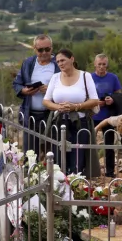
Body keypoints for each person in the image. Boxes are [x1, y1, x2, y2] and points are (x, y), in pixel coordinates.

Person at [42, 49, 101, 177]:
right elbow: (46, 101)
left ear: (72, 59)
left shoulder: (85, 76)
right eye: (58, 62)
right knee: (59, 158)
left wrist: (76, 107)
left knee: (78, 159)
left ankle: (75, 188)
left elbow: (95, 100)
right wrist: (58, 107)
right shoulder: (55, 78)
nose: (60, 64)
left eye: (63, 60)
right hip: (59, 122)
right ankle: (60, 188)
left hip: (80, 123)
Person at [12, 34, 59, 154]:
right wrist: (24, 91)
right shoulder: (28, 63)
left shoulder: (58, 64)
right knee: (31, 152)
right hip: (30, 115)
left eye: (47, 49)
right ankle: (31, 172)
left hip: (52, 116)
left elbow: (68, 86)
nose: (44, 53)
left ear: (52, 48)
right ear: (34, 49)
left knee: (53, 152)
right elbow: (17, 83)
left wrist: (51, 90)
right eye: (40, 50)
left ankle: (54, 172)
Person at [90, 54, 122, 177]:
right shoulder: (89, 77)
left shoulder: (113, 78)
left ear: (107, 65)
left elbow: (119, 96)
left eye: (104, 64)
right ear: (95, 64)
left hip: (108, 116)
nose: (102, 67)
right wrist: (94, 102)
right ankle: (90, 170)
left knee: (109, 145)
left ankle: (109, 172)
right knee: (89, 144)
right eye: (99, 64)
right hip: (92, 115)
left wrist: (112, 100)